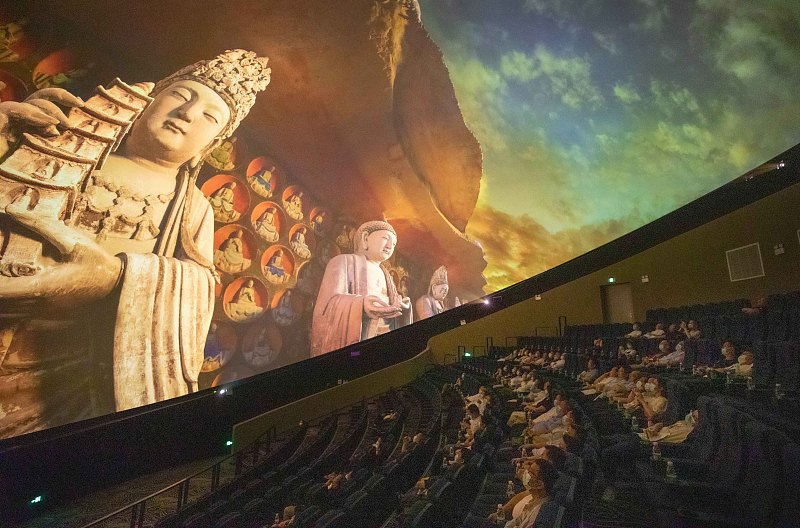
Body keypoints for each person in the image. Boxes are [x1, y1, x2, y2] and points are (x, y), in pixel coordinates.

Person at [0, 49, 270, 438]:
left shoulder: (192, 208)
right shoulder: (64, 140)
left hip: (70, 370)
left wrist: (116, 276)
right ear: (147, 101)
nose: (188, 114)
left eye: (210, 117)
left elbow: (199, 289)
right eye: (180, 96)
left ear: (210, 145)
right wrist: (8, 134)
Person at [310, 220, 412, 357]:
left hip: (384, 338)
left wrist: (401, 308)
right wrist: (361, 305)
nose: (390, 246)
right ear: (365, 238)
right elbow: (326, 308)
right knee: (357, 361)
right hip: (357, 344)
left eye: (393, 244)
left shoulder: (387, 275)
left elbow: (391, 307)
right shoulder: (343, 261)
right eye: (385, 238)